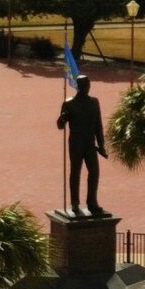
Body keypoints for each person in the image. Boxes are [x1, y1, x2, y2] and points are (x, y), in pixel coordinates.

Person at [58, 74, 105, 217]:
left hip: (90, 143)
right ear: (79, 86)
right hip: (76, 143)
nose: (87, 87)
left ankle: (92, 202)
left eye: (88, 85)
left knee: (94, 172)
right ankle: (74, 202)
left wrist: (101, 145)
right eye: (85, 85)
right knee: (75, 172)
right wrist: (62, 118)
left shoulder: (94, 102)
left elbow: (98, 125)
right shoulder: (69, 103)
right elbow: (60, 126)